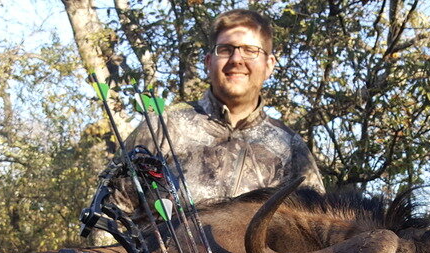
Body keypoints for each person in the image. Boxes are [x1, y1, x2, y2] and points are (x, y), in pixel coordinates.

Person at [128, 9, 325, 203]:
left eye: (250, 50)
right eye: (225, 50)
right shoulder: (163, 126)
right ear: (208, 62)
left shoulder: (290, 147)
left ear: (269, 65)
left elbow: (317, 228)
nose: (236, 59)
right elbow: (108, 213)